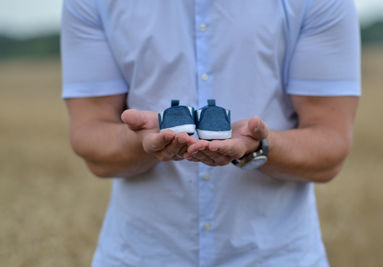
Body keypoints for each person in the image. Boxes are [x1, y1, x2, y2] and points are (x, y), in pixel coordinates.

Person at [61, 0, 360, 266]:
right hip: (137, 254)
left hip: (278, 256)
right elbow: (91, 141)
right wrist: (141, 141)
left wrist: (258, 147)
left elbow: (330, 150)